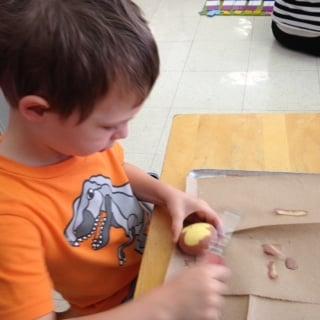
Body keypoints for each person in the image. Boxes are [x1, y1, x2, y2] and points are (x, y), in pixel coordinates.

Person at [0, 1, 230, 319]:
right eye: (109, 126)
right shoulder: (9, 218)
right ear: (38, 111)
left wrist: (167, 194)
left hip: (149, 251)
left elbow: (115, 171)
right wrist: (164, 306)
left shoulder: (72, 142)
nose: (123, 135)